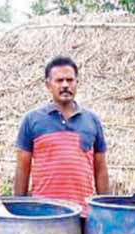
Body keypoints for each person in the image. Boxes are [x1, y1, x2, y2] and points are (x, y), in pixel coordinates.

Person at [13, 56, 109, 216]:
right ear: (48, 85)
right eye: (59, 80)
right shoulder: (32, 120)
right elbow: (23, 169)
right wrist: (18, 211)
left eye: (70, 80)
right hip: (43, 213)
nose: (65, 85)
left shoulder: (92, 121)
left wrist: (105, 211)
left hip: (82, 214)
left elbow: (100, 169)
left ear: (77, 83)